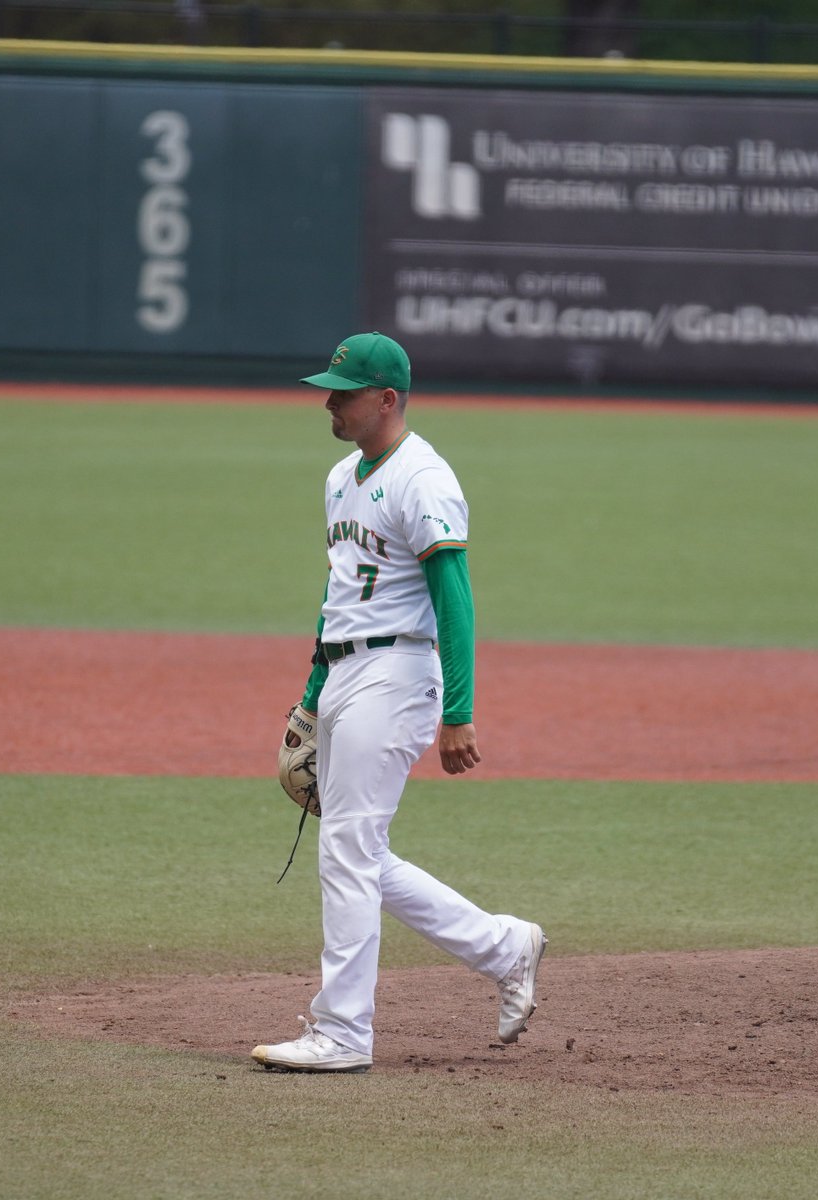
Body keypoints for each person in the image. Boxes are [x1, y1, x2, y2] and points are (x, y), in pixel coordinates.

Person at [252, 331, 546, 1073]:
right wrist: (312, 697)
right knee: (358, 849)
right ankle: (506, 947)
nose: (329, 403)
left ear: (387, 399)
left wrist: (460, 712)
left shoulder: (423, 478)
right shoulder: (339, 478)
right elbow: (337, 595)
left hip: (400, 673)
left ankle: (344, 1033)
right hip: (348, 675)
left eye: (344, 393)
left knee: (348, 848)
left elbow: (456, 599)